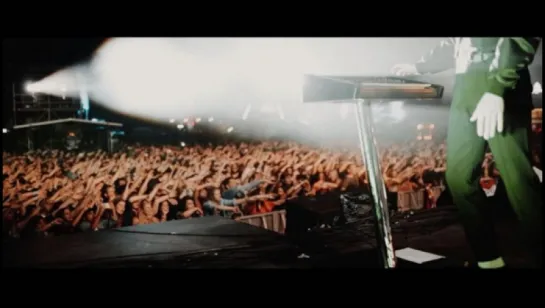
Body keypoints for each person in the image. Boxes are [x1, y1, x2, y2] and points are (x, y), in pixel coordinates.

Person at [393, 37, 542, 268]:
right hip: (464, 83)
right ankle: (488, 258)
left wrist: (498, 86)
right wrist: (421, 66)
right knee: (458, 178)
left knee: (518, 180)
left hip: (501, 80)